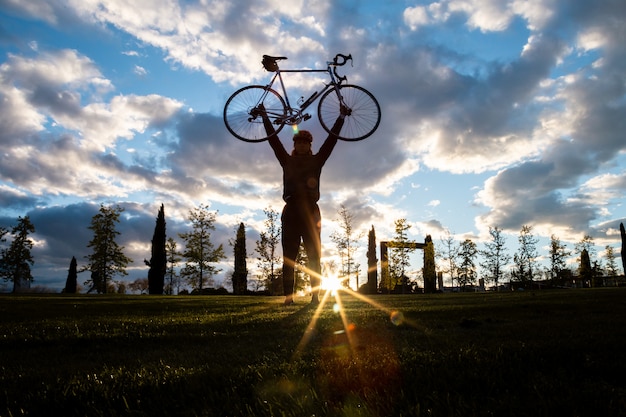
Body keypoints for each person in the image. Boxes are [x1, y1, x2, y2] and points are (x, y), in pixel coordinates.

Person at [259, 105, 345, 305]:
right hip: (291, 212)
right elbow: (274, 140)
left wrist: (340, 116)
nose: (302, 145)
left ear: (310, 145)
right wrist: (265, 118)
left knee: (315, 256)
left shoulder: (317, 161)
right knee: (289, 257)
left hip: (312, 213)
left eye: (306, 143)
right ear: (295, 145)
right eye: (299, 142)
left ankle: (315, 296)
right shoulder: (287, 161)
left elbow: (331, 142)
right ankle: (288, 297)